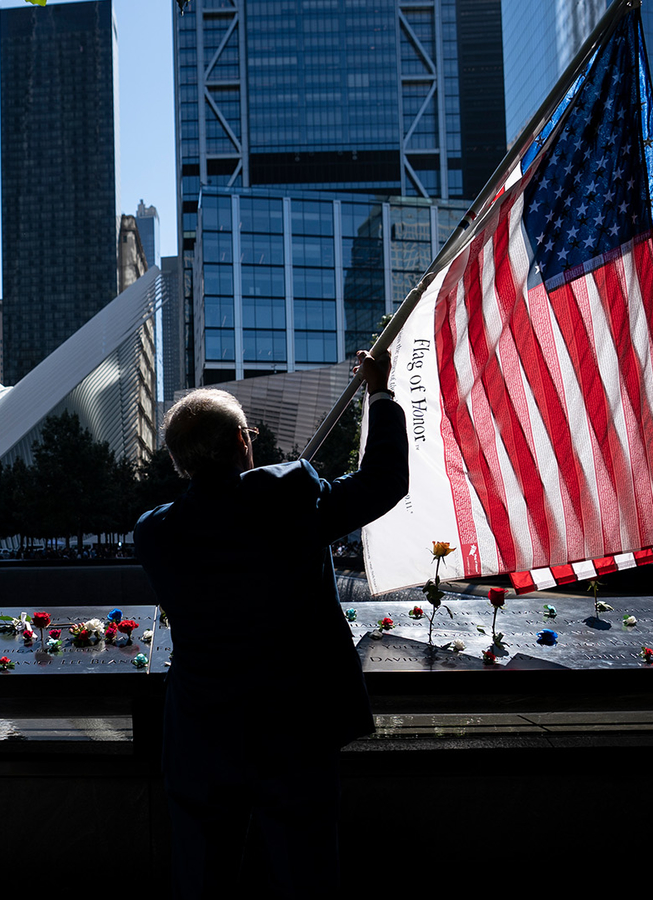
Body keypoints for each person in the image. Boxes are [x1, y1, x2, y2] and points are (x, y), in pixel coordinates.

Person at [133, 349, 407, 898]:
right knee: (307, 883)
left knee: (201, 886)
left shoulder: (154, 532)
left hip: (201, 737)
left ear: (180, 462)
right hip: (293, 733)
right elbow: (383, 482)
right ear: (242, 440)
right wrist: (379, 392)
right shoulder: (289, 495)